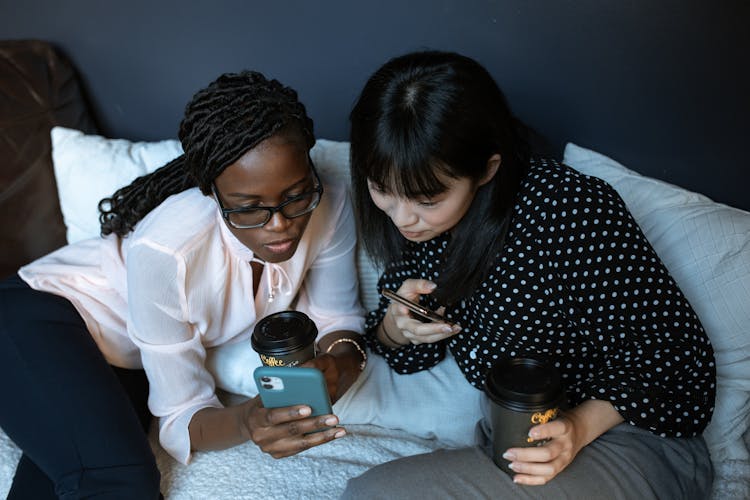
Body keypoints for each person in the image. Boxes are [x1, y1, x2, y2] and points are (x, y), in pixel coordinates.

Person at [341, 50, 715, 499]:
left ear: (487, 170)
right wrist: (398, 328)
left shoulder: (567, 210)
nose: (403, 218)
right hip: (521, 438)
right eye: (381, 189)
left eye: (426, 198)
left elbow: (677, 354)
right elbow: (400, 350)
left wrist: (577, 426)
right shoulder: (426, 229)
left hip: (631, 438)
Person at [0, 70, 366, 499]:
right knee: (119, 481)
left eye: (297, 195)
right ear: (212, 193)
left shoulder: (331, 205)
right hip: (39, 315)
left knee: (71, 477)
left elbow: (338, 318)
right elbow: (183, 416)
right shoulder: (166, 251)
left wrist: (340, 365)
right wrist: (250, 420)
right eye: (248, 208)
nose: (281, 225)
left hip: (123, 357)